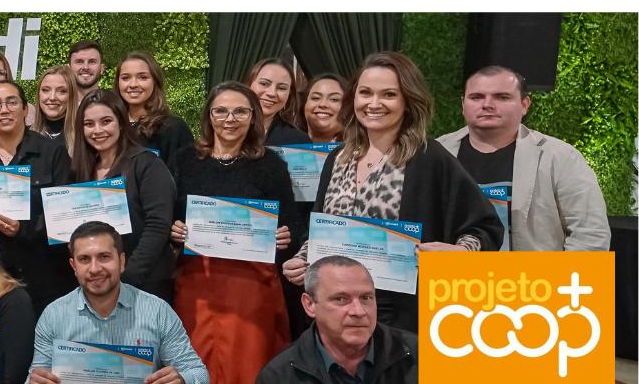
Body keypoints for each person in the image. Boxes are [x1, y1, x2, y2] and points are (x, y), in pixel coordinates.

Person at [285, 52, 504, 329]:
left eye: (388, 94)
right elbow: (321, 229)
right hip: (335, 310)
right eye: (365, 93)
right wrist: (301, 258)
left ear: (407, 101)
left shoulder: (429, 157)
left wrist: (461, 252)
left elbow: (485, 226)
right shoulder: (337, 159)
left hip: (399, 316)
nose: (374, 103)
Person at [168, 83, 301, 384]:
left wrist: (286, 235)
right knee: (194, 361)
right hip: (197, 281)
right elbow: (171, 217)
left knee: (249, 361)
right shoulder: (184, 160)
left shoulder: (271, 165)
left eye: (240, 111)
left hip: (251, 286)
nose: (230, 119)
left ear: (253, 117)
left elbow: (292, 223)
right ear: (209, 116)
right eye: (221, 111)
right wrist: (174, 230)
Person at [435, 65, 611, 251]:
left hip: (533, 271)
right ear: (463, 105)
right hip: (449, 270)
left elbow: (592, 236)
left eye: (502, 97)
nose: (487, 104)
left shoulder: (562, 157)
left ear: (525, 105)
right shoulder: (436, 152)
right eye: (476, 97)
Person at [28, 221, 207, 384]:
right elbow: (34, 376)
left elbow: (198, 373)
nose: (94, 269)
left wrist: (183, 379)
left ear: (121, 261)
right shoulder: (53, 315)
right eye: (84, 259)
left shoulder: (157, 311)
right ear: (74, 266)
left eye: (104, 257)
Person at [0, 80, 73, 308]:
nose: (4, 110)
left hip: (43, 273)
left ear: (25, 109)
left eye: (12, 102)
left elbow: (65, 216)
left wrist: (24, 229)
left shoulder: (52, 153)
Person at [71, 89, 176, 299]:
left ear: (120, 122)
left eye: (106, 121)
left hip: (144, 285)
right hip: (97, 285)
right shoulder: (81, 170)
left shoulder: (147, 163)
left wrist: (126, 278)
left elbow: (158, 225)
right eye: (89, 124)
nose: (97, 130)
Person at [258, 257, 419, 384]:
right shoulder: (279, 376)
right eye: (341, 299)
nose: (358, 311)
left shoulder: (422, 356)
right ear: (310, 305)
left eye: (366, 298)